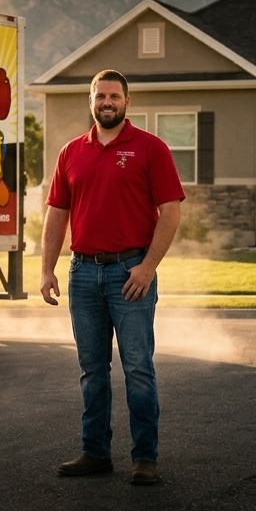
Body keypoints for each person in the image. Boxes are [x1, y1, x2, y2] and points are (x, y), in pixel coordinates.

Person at [40, 69, 184, 485]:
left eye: (114, 96)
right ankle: (95, 453)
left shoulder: (150, 149)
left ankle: (145, 458)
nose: (107, 102)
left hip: (130, 272)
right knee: (92, 370)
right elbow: (57, 214)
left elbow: (171, 211)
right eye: (100, 95)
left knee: (138, 368)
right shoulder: (71, 152)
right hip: (82, 272)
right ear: (91, 100)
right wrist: (47, 268)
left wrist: (148, 266)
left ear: (127, 102)